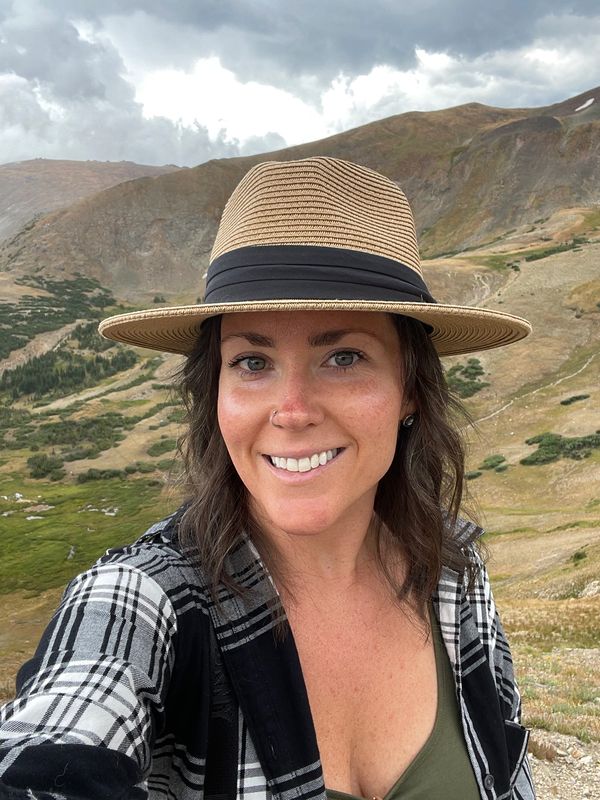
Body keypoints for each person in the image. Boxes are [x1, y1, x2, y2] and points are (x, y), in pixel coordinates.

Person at [0, 157, 535, 800]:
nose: (292, 411)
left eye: (344, 357)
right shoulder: (143, 600)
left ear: (411, 391)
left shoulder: (455, 572)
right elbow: (49, 760)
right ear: (215, 392)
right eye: (252, 361)